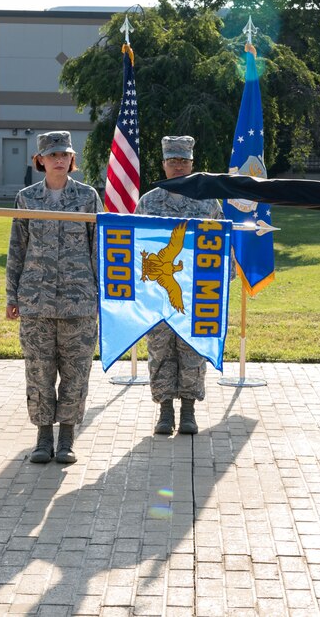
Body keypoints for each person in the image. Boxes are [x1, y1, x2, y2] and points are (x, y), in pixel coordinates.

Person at [6, 131, 102, 465]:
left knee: (76, 371)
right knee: (39, 371)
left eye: (65, 154)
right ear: (41, 160)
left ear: (71, 160)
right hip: (36, 301)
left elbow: (97, 249)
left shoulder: (88, 198)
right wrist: (11, 294)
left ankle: (67, 438)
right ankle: (43, 437)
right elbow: (17, 247)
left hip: (79, 301)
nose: (59, 159)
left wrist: (101, 296)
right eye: (53, 155)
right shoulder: (27, 198)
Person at [135, 136, 223, 436]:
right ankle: (164, 410)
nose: (178, 166)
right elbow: (135, 246)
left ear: (191, 164)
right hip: (157, 292)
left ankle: (188, 409)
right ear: (163, 164)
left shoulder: (209, 201)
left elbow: (221, 246)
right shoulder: (148, 202)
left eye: (183, 161)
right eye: (172, 161)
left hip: (196, 292)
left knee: (192, 349)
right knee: (160, 350)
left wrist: (222, 284)